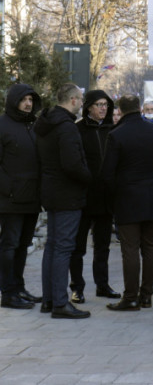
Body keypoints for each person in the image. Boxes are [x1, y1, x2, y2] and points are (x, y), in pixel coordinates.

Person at [100, 95, 153, 311]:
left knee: (130, 248)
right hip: (152, 196)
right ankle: (146, 295)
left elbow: (107, 173)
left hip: (127, 197)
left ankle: (130, 297)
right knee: (150, 246)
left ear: (120, 110)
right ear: (140, 108)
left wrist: (117, 192)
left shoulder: (116, 135)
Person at [35, 83, 93, 318]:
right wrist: (89, 178)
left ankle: (49, 300)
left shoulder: (46, 123)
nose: (81, 104)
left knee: (52, 245)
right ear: (72, 100)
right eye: (80, 99)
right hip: (67, 193)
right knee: (63, 247)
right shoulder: (67, 127)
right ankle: (60, 303)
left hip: (50, 190)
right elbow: (72, 164)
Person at [70, 90, 121, 304]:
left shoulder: (113, 130)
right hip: (83, 196)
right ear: (89, 106)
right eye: (99, 104)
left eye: (106, 105)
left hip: (105, 197)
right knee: (78, 246)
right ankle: (77, 287)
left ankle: (102, 284)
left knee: (102, 245)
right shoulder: (77, 129)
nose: (103, 108)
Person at [0, 84, 43, 309]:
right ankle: (7, 292)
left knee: (22, 245)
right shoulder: (2, 125)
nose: (28, 103)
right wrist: (8, 188)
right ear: (13, 101)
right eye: (24, 99)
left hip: (32, 198)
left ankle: (18, 287)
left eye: (31, 99)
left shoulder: (33, 125)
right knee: (9, 246)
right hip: (10, 199)